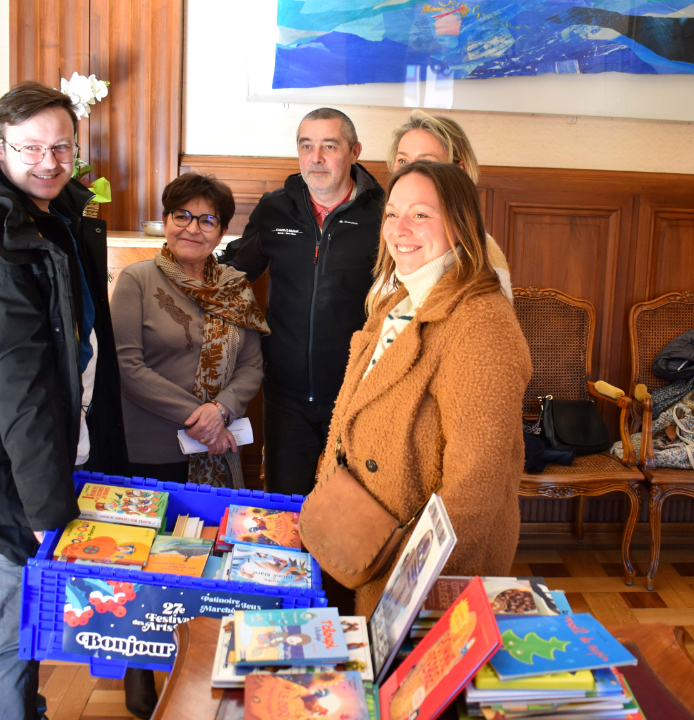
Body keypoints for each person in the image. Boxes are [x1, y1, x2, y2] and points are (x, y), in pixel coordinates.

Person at [0, 81, 127, 720]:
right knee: (9, 630)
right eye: (31, 148)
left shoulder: (54, 214)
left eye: (61, 147)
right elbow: (20, 380)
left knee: (29, 621)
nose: (49, 162)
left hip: (39, 455)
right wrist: (45, 507)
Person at [319, 160, 531, 616]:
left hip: (422, 574)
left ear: (459, 224)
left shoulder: (481, 323)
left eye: (420, 214)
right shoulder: (397, 300)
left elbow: (476, 486)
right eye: (392, 214)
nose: (400, 229)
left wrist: (408, 590)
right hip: (363, 540)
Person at [111, 172, 268, 718]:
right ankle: (138, 666)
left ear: (223, 230)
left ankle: (203, 663)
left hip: (219, 448)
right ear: (167, 219)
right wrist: (194, 415)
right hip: (151, 448)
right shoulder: (136, 280)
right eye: (183, 215)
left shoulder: (236, 287)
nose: (193, 228)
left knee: (211, 563)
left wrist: (220, 410)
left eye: (207, 219)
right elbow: (125, 366)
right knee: (150, 562)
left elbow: (251, 364)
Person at [221, 108, 385, 496]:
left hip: (354, 396)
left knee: (346, 516)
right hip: (285, 394)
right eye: (307, 146)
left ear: (354, 151)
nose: (317, 158)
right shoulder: (275, 207)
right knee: (284, 507)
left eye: (330, 146)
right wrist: (177, 268)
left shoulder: (383, 214)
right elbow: (235, 270)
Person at [384, 110, 512, 301]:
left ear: (459, 171)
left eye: (425, 162)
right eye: (402, 161)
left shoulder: (485, 257)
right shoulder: (397, 237)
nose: (410, 171)